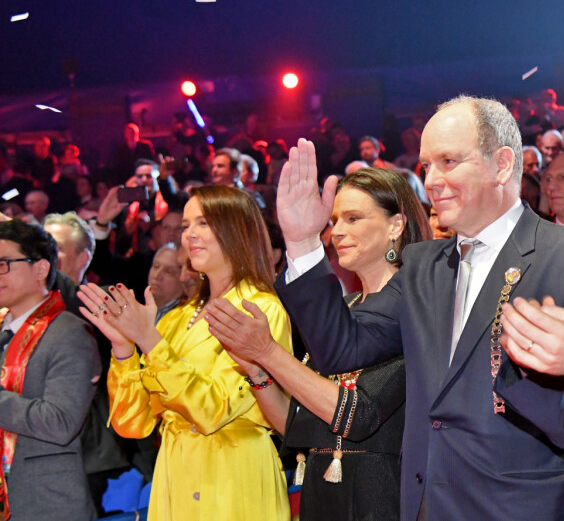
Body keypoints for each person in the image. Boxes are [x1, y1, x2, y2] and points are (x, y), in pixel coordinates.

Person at [271, 95, 564, 521]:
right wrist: (304, 243)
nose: (432, 179)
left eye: (449, 161)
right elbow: (340, 348)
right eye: (426, 166)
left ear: (503, 165)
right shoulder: (421, 267)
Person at [207, 168, 431, 520]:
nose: (337, 231)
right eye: (335, 220)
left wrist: (269, 352)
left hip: (380, 494)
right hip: (321, 492)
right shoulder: (345, 309)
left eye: (354, 218)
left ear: (396, 225)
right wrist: (256, 370)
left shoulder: (416, 307)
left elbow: (356, 414)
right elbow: (293, 425)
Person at [77, 185, 293, 521]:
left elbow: (211, 411)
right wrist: (124, 350)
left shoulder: (259, 310)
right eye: (186, 225)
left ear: (237, 229)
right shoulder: (180, 315)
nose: (189, 234)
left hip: (233, 474)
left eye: (203, 223)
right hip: (174, 472)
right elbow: (132, 424)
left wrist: (150, 341)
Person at [0, 219, 100, 520]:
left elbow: (60, 422)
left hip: (44, 503)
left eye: (4, 263)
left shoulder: (69, 333)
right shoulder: (3, 333)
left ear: (41, 269)